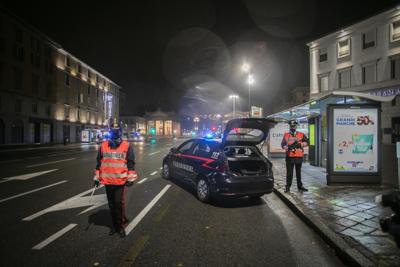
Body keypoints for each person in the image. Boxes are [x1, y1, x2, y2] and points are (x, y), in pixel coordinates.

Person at [93, 119, 138, 237]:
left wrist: (130, 178)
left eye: (117, 131)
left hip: (120, 181)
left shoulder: (126, 145)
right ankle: (114, 225)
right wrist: (97, 178)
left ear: (120, 132)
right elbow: (99, 163)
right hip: (108, 181)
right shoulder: (103, 146)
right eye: (113, 131)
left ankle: (120, 227)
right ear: (110, 132)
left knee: (118, 204)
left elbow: (131, 163)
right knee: (111, 205)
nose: (115, 133)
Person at [281, 120, 309, 193]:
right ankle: (288, 187)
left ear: (296, 126)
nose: (293, 127)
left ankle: (300, 186)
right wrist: (287, 147)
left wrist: (301, 144)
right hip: (289, 157)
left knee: (298, 172)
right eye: (291, 126)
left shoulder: (301, 134)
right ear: (290, 126)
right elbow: (282, 144)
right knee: (289, 173)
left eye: (294, 126)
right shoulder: (286, 135)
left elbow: (307, 142)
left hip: (298, 156)